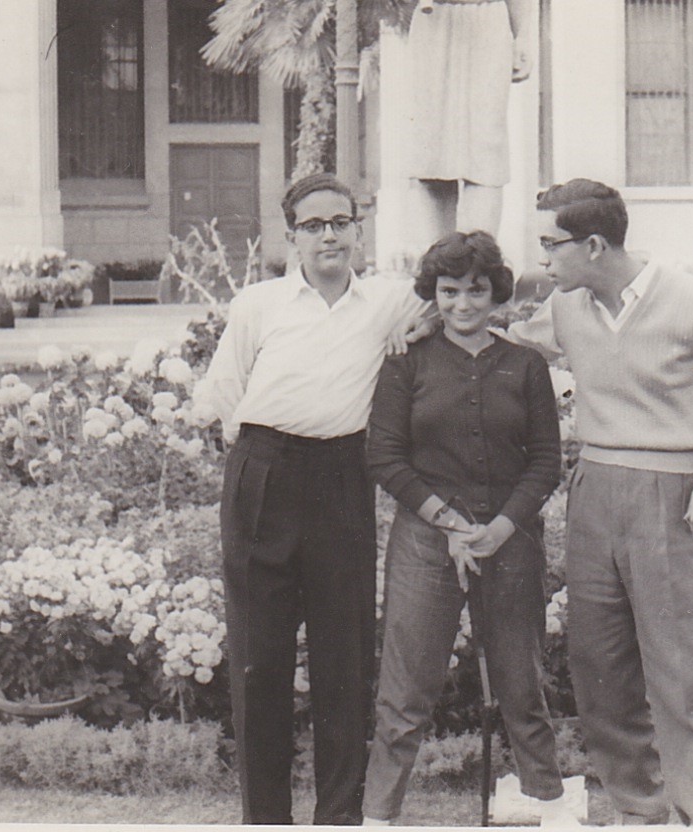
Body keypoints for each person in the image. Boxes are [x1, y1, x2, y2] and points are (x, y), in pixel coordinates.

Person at [504, 179, 693, 825]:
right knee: (599, 672)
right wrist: (425, 317)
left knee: (683, 678)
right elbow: (500, 331)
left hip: (673, 497)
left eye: (551, 245)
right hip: (595, 491)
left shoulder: (691, 300)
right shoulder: (566, 304)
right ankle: (640, 814)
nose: (541, 259)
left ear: (594, 244)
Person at [198, 173, 432, 825]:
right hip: (264, 473)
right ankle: (264, 818)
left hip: (341, 479)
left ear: (359, 230)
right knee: (258, 660)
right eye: (314, 225)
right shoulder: (260, 304)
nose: (329, 235)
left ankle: (339, 819)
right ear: (291, 236)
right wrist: (252, 467)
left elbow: (462, 286)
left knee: (345, 657)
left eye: (341, 222)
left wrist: (415, 328)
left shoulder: (389, 300)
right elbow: (223, 394)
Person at [362, 230, 574, 826]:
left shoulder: (525, 365)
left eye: (476, 290)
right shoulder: (407, 363)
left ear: (495, 292)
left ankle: (550, 808)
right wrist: (449, 522)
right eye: (449, 291)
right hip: (426, 544)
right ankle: (378, 818)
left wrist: (503, 526)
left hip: (511, 542)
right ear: (433, 294)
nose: (463, 304)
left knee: (522, 686)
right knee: (405, 692)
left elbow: (545, 462)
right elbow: (384, 456)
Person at [404, 0, 532, 249]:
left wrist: (523, 36)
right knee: (431, 155)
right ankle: (438, 269)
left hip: (488, 17)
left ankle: (480, 267)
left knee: (486, 148)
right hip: (434, 20)